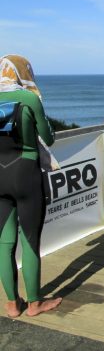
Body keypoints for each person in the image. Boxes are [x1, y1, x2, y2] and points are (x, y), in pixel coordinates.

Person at [0, 54, 63, 317]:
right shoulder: (29, 99)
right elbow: (48, 136)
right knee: (30, 241)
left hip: (0, 175)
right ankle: (35, 303)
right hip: (26, 173)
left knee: (4, 243)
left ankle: (13, 304)